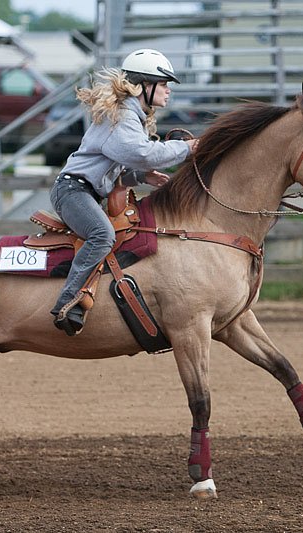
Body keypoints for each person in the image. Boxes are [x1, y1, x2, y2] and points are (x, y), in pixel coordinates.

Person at [49, 49, 198, 336]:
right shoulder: (122, 116)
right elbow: (138, 152)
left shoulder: (128, 115)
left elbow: (116, 163)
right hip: (72, 191)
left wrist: (141, 176)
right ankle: (68, 301)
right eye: (164, 83)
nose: (168, 90)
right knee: (102, 234)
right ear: (144, 85)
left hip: (82, 190)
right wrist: (187, 148)